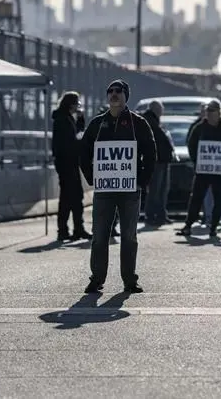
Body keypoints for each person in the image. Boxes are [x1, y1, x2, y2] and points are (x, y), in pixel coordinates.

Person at [79, 79, 156, 294]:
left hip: (130, 191)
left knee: (129, 236)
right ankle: (97, 279)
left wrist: (142, 180)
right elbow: (83, 153)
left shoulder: (138, 123)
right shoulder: (96, 124)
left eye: (118, 91)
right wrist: (92, 178)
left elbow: (150, 153)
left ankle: (129, 280)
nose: (114, 94)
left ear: (126, 96)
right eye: (110, 91)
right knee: (100, 235)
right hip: (104, 191)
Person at [178, 100, 221, 239]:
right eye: (208, 111)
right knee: (196, 198)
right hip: (203, 170)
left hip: (220, 172)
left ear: (218, 113)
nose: (208, 114)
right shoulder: (199, 128)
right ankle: (188, 225)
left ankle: (213, 227)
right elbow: (191, 145)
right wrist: (197, 161)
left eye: (212, 111)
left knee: (219, 199)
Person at [51, 91, 90, 242]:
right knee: (71, 197)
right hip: (67, 163)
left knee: (69, 197)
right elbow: (73, 141)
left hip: (67, 163)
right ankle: (70, 229)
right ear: (71, 104)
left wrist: (80, 120)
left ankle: (70, 229)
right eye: (76, 103)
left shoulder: (64, 118)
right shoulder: (63, 121)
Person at [142, 100, 175, 226]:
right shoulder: (149, 121)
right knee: (155, 190)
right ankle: (151, 215)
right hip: (156, 160)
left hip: (163, 159)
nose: (162, 112)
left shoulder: (154, 121)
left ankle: (161, 215)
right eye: (161, 109)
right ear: (155, 109)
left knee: (162, 189)